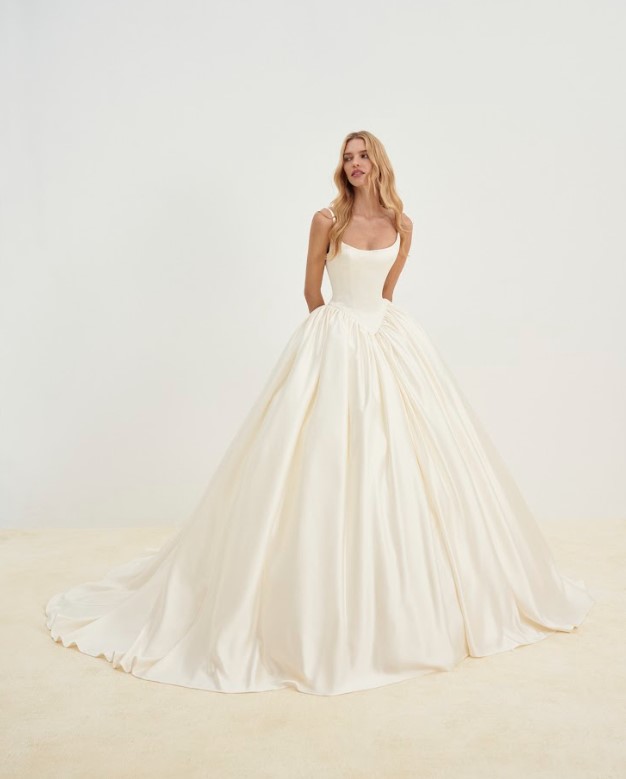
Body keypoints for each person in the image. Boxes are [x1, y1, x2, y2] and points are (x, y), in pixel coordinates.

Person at [45, 130, 595, 697]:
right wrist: (337, 340)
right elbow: (312, 291)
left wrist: (377, 334)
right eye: (347, 157)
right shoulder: (324, 221)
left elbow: (388, 290)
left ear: (378, 162)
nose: (355, 164)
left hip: (389, 338)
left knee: (415, 467)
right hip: (335, 340)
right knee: (319, 465)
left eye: (363, 155)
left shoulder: (403, 226)